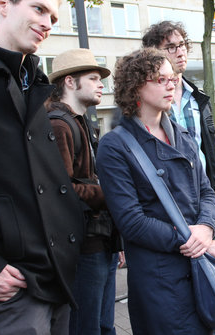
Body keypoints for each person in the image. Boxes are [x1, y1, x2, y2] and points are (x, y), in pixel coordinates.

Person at [0, 0, 84, 334]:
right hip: (7, 286)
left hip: (56, 274)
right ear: (2, 4)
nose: (47, 23)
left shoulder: (34, 81)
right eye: (39, 10)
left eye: (52, 18)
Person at [96, 48, 215, 334]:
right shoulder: (115, 145)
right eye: (160, 79)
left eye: (173, 78)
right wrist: (194, 240)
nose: (171, 85)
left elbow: (206, 191)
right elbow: (132, 221)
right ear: (135, 85)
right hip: (159, 277)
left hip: (198, 267)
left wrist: (207, 228)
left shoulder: (182, 135)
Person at [46, 49, 124, 335]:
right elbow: (61, 190)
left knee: (104, 325)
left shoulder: (82, 122)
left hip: (102, 240)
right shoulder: (59, 124)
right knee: (86, 327)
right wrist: (112, 195)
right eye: (93, 78)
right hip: (83, 246)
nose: (101, 84)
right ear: (69, 82)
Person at [142, 21, 215, 194]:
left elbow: (207, 150)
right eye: (170, 47)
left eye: (182, 45)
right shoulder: (147, 102)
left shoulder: (199, 98)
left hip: (204, 193)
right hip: (167, 196)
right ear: (153, 54)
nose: (180, 52)